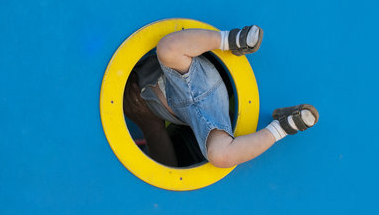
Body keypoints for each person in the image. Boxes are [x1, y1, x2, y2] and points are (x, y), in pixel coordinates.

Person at [123, 26, 319, 168]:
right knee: (220, 155)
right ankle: (282, 127)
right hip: (205, 113)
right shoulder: (133, 108)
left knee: (169, 48)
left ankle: (228, 40)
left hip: (190, 80)